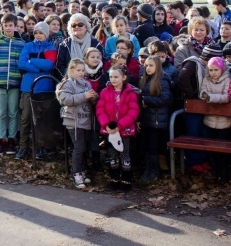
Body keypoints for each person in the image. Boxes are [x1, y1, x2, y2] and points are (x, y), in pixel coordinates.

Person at [177, 43, 223, 172]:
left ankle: (201, 160)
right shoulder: (193, 63)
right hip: (192, 106)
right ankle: (193, 161)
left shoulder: (205, 68)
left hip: (200, 106)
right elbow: (182, 77)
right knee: (193, 133)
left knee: (202, 133)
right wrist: (190, 96)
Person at [15, 22, 56, 160]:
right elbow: (21, 63)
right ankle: (23, 147)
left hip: (44, 88)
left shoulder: (51, 48)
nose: (38, 35)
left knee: (40, 120)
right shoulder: (28, 46)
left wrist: (32, 61)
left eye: (41, 33)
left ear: (46, 34)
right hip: (28, 87)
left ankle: (40, 147)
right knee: (26, 118)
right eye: (36, 33)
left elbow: (50, 64)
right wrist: (37, 67)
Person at [0, 13, 25, 156]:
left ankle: (12, 139)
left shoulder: (21, 44)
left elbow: (24, 62)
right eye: (5, 25)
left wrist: (20, 76)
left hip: (14, 83)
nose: (8, 28)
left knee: (13, 113)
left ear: (15, 27)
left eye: (11, 25)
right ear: (2, 26)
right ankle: (2, 139)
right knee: (1, 113)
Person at [96, 66, 139, 191]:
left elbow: (133, 112)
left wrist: (119, 125)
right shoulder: (105, 92)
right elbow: (100, 110)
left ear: (124, 77)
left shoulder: (130, 93)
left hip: (124, 130)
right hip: (110, 130)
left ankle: (126, 179)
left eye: (116, 77)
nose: (113, 79)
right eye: (111, 77)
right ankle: (114, 178)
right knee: (112, 154)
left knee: (124, 154)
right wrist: (106, 124)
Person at [56, 58, 97, 189]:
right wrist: (84, 96)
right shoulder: (68, 83)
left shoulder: (86, 84)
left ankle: (82, 170)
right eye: (78, 70)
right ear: (71, 70)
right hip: (73, 121)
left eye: (83, 70)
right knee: (78, 147)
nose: (81, 73)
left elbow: (92, 101)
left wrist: (94, 97)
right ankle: (76, 173)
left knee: (84, 147)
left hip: (86, 120)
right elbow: (65, 99)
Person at [137, 56, 172, 183]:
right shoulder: (144, 79)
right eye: (146, 65)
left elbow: (165, 98)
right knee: (145, 145)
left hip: (157, 119)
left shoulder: (163, 79)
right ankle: (147, 169)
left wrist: (147, 100)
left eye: (151, 65)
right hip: (146, 118)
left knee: (153, 145)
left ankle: (154, 171)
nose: (147, 68)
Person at [199, 56, 231, 183]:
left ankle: (223, 172)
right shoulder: (206, 79)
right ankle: (215, 172)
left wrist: (210, 97)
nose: (213, 73)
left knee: (223, 149)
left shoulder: (227, 79)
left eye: (216, 70)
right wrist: (205, 96)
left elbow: (226, 97)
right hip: (210, 120)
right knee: (212, 148)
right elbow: (203, 92)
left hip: (224, 122)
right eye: (211, 70)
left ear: (222, 69)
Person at [55, 13, 104, 80]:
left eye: (80, 25)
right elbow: (60, 65)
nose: (77, 27)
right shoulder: (64, 45)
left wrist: (88, 76)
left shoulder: (95, 44)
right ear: (70, 28)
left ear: (86, 27)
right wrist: (71, 77)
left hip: (92, 82)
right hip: (70, 81)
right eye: (74, 25)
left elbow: (100, 63)